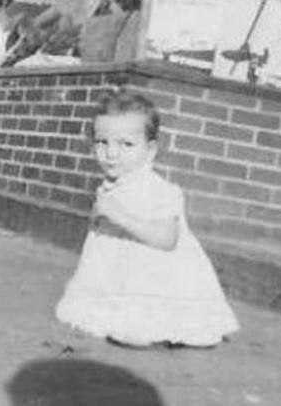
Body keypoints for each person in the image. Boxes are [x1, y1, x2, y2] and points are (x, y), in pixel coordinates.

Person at [55, 88, 239, 347]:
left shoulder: (158, 190)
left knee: (151, 300)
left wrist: (120, 217)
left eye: (126, 144)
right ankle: (120, 316)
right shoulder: (111, 185)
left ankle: (154, 326)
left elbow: (167, 240)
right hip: (118, 273)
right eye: (102, 142)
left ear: (150, 150)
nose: (111, 153)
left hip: (157, 273)